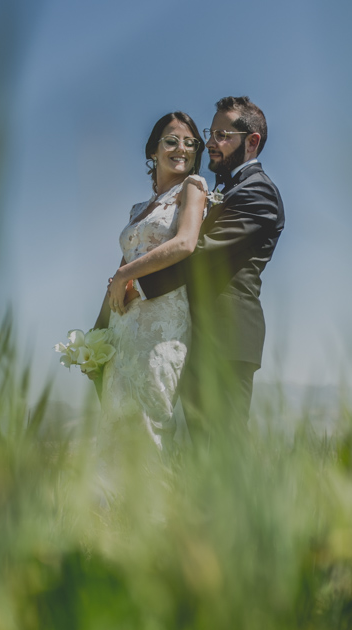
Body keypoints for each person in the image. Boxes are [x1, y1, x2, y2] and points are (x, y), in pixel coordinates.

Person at [132, 96, 284, 441]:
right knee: (199, 456)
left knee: (224, 454)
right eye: (211, 133)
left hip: (226, 340)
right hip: (196, 337)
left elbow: (198, 254)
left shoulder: (258, 193)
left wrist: (137, 286)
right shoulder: (227, 189)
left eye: (222, 135)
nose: (211, 144)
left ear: (252, 140)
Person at [94, 111, 209, 457]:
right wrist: (96, 332)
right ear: (153, 151)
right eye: (171, 141)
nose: (182, 149)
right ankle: (112, 509)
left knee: (150, 414)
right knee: (116, 415)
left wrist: (128, 276)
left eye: (190, 143)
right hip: (123, 323)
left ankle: (156, 510)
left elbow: (186, 243)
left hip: (162, 318)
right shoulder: (137, 208)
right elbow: (120, 269)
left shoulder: (193, 188)